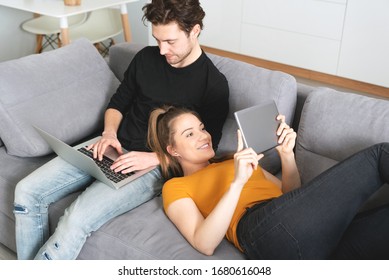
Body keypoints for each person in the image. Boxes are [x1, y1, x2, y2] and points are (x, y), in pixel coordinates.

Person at [13, 0, 229, 260]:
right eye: (157, 39)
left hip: (150, 169)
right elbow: (118, 103)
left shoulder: (213, 84)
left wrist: (155, 158)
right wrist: (108, 134)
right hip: (110, 147)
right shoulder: (146, 58)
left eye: (170, 41)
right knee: (26, 192)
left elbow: (208, 148)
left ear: (194, 31)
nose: (162, 50)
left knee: (77, 219)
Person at [147, 105, 389, 259]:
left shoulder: (235, 159)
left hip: (307, 235)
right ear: (173, 150)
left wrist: (286, 154)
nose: (204, 136)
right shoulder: (175, 187)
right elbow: (204, 243)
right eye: (189, 134)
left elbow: (290, 195)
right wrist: (237, 183)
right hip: (261, 231)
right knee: (379, 156)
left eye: (201, 128)